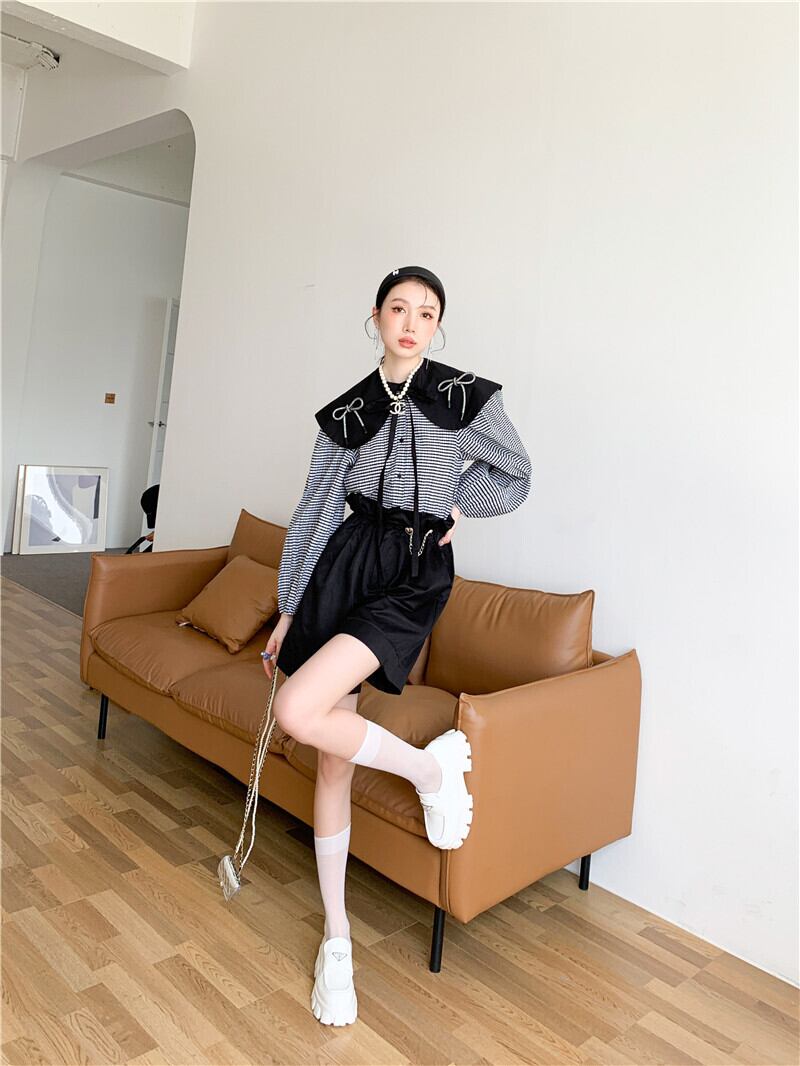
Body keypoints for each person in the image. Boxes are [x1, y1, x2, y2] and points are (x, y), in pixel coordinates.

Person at [261, 265, 531, 1027]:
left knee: (295, 710)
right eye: (399, 309)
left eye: (427, 312)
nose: (411, 323)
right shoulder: (348, 412)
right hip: (345, 562)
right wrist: (289, 607)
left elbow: (515, 474)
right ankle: (337, 939)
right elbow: (315, 508)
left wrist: (456, 502)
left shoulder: (463, 397)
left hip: (412, 574)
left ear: (438, 326)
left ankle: (430, 770)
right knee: (330, 758)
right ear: (376, 317)